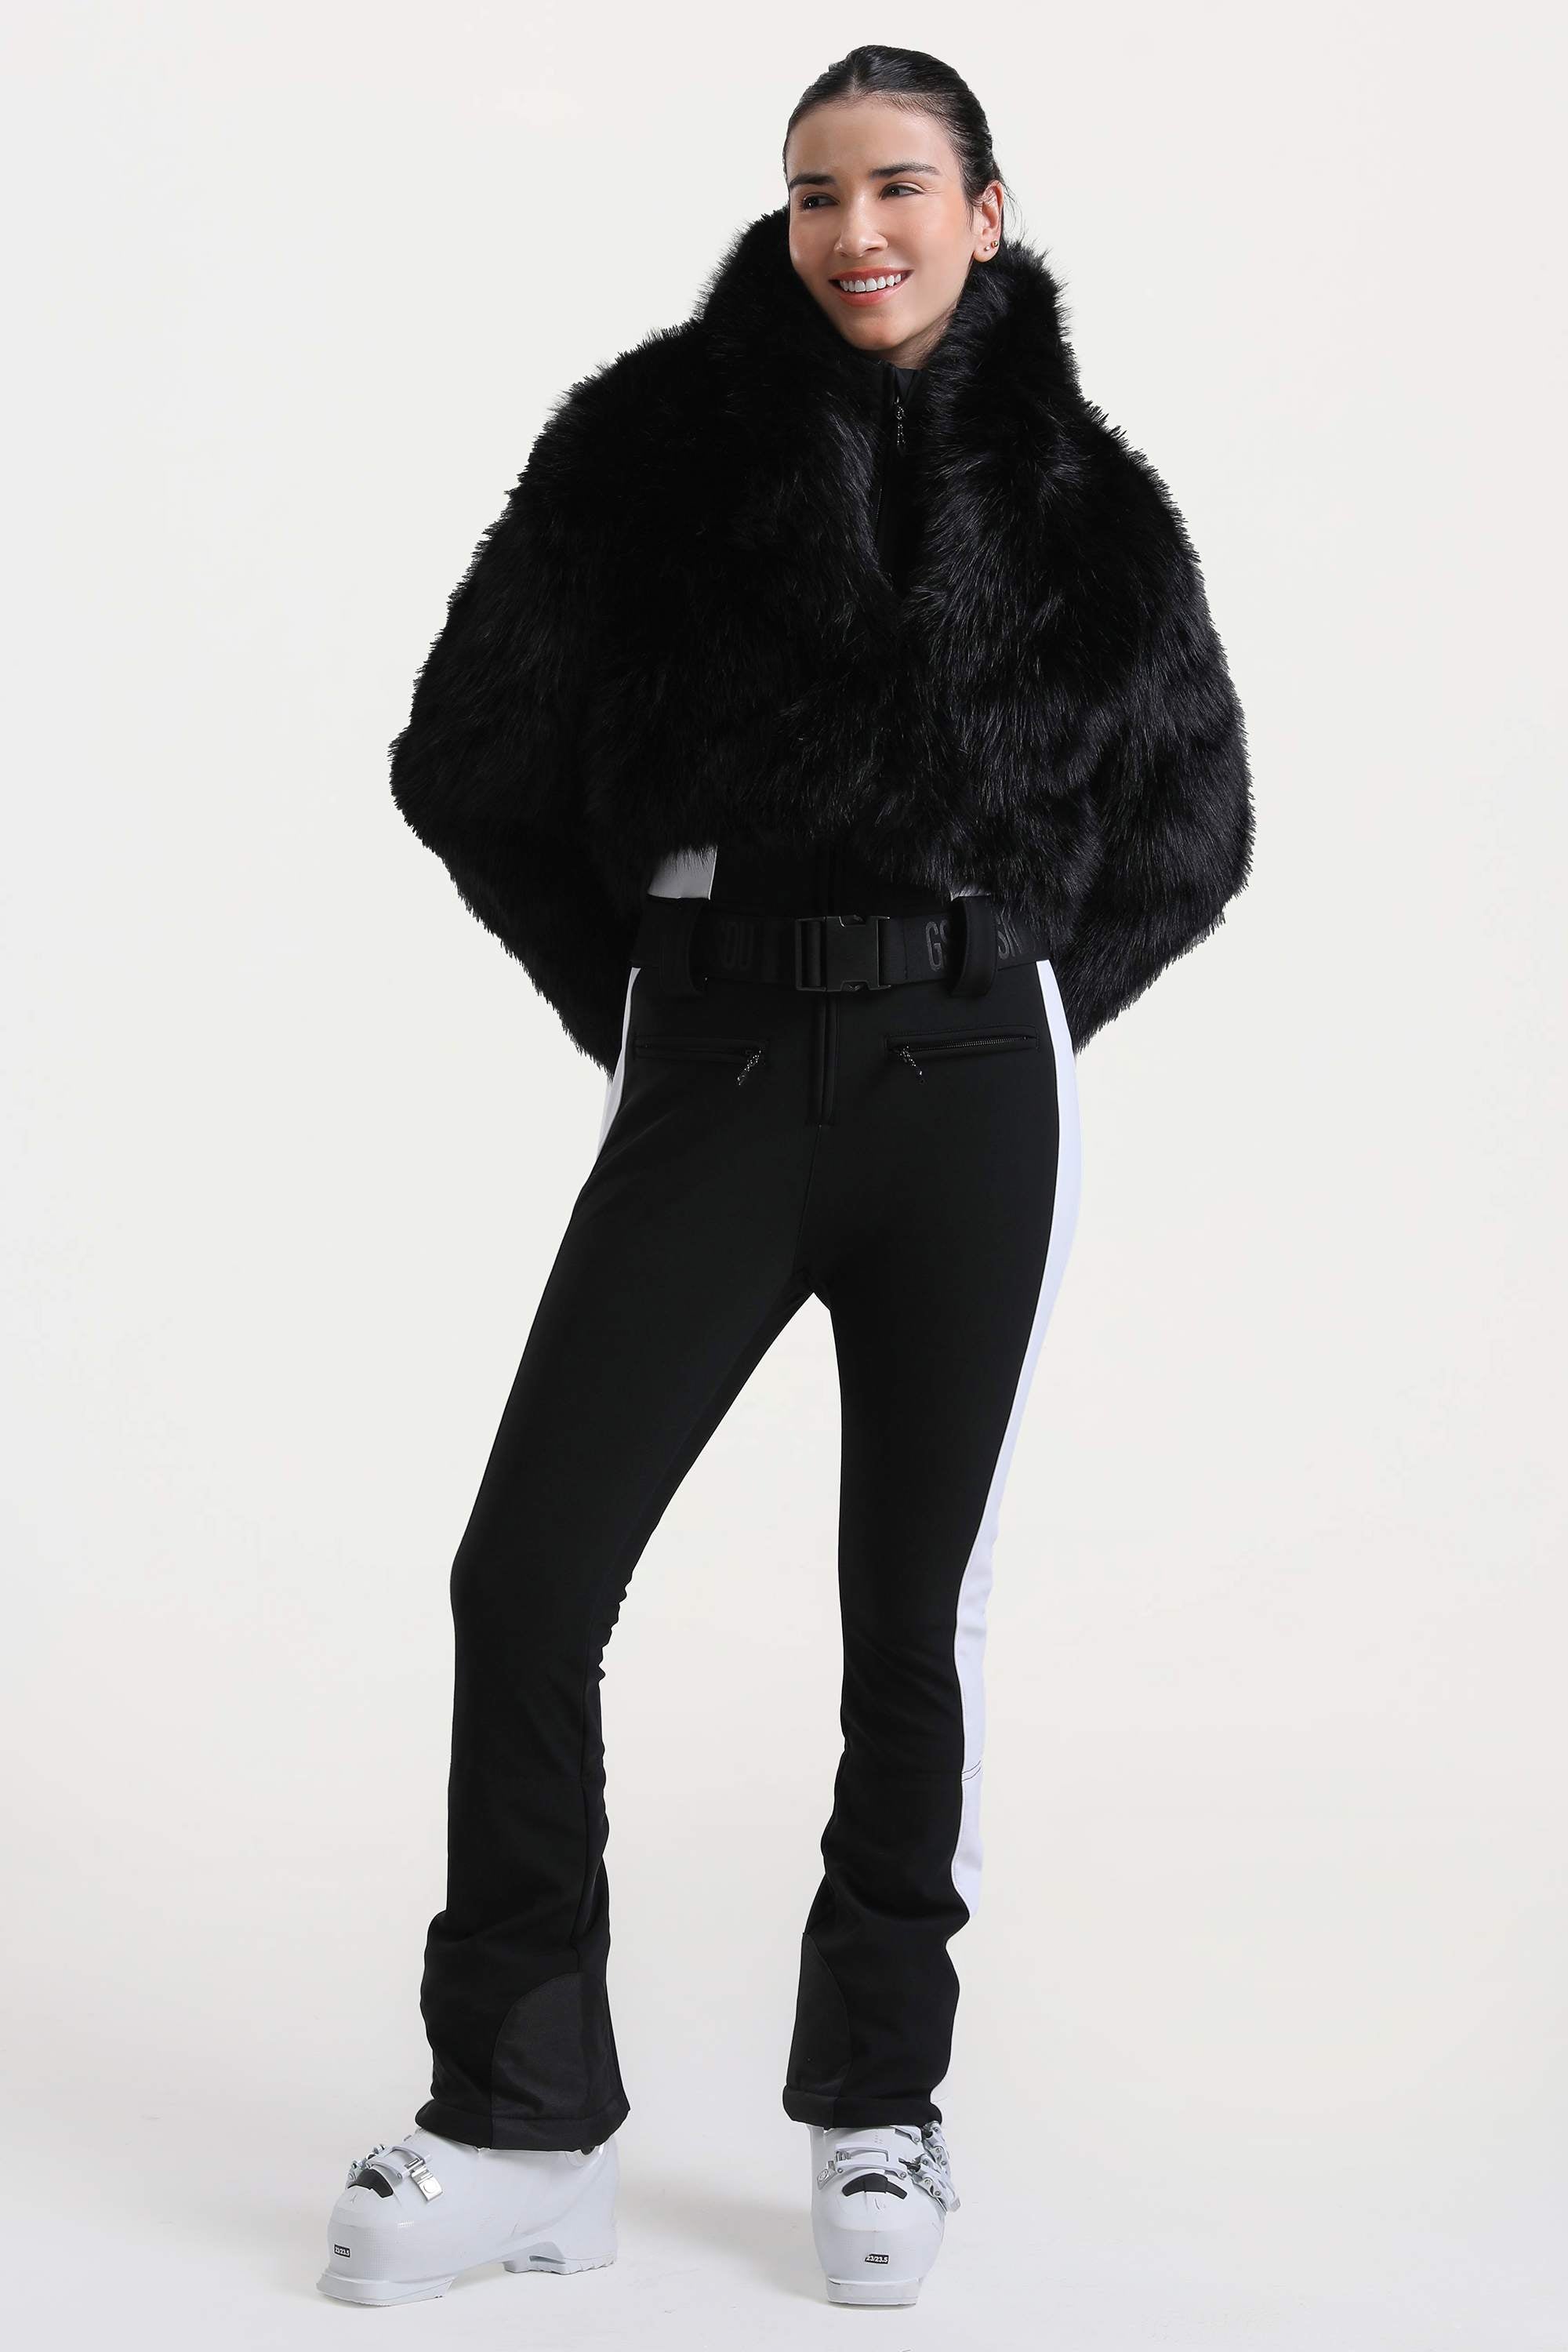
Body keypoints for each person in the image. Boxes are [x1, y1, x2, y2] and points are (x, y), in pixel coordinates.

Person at [318, 43, 1254, 2313]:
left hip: (976, 1087)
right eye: (821, 190)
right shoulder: (646, 448)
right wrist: (648, 1001)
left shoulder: (1096, 506)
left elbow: (1195, 829)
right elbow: (464, 760)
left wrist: (1002, 1007)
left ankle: (878, 2113)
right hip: (722, 1061)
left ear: (986, 210)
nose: (858, 231)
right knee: (527, 1578)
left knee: (915, 1620)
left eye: (901, 187)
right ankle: (522, 2121)